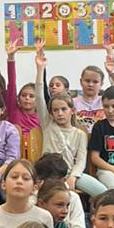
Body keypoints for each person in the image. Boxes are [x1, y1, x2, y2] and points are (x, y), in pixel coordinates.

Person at [34, 45, 89, 192]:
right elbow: (39, 96)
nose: (59, 113)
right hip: (50, 174)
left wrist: (73, 177)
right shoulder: (48, 124)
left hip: (72, 175)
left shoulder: (80, 134)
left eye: (64, 109)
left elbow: (81, 161)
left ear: (72, 110)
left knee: (102, 190)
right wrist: (40, 69)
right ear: (51, 113)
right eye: (55, 110)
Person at [0, 158, 54, 228]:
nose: (19, 181)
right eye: (14, 177)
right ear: (3, 184)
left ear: (34, 188)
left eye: (26, 178)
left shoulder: (44, 217)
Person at [4, 52, 41, 137]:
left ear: (38, 100)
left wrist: (40, 67)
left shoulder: (41, 117)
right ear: (18, 98)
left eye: (31, 96)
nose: (27, 98)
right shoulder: (14, 111)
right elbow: (12, 84)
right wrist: (11, 58)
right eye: (23, 95)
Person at [71, 63, 106, 130]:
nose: (90, 84)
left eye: (95, 82)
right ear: (81, 81)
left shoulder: (105, 102)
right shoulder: (72, 103)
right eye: (87, 81)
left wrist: (113, 73)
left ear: (101, 84)